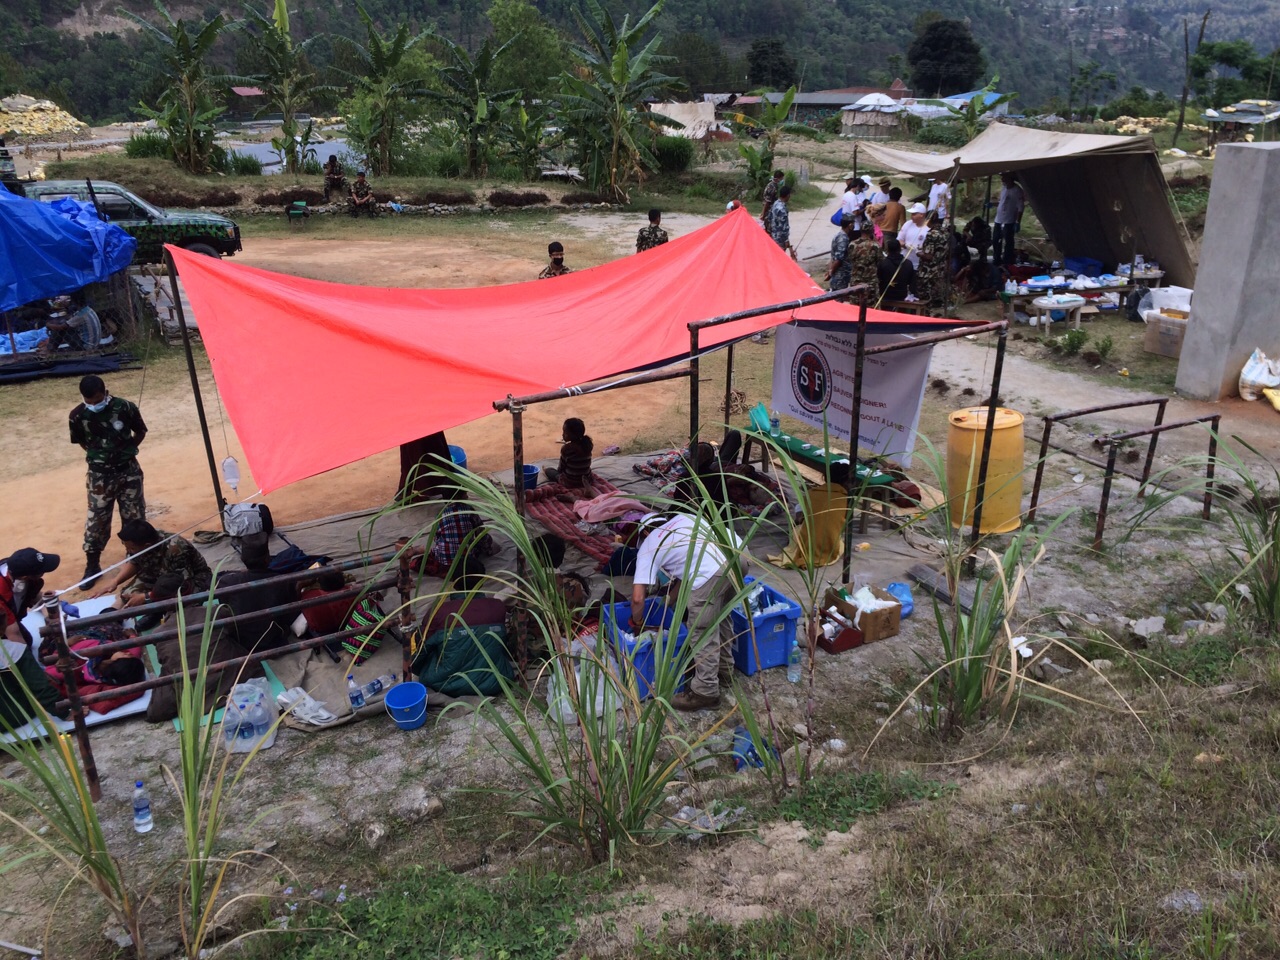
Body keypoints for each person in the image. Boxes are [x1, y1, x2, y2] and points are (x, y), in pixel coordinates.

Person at [629, 513, 743, 712]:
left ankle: (705, 692)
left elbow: (637, 598)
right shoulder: (685, 519)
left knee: (701, 628)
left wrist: (637, 622)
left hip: (712, 572)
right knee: (721, 615)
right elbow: (687, 572)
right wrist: (667, 604)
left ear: (646, 531)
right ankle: (725, 672)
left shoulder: (649, 544)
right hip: (740, 554)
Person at [69, 375, 147, 586]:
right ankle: (92, 566)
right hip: (99, 477)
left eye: (97, 400)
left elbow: (140, 430)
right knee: (97, 521)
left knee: (134, 518)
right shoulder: (77, 415)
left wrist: (127, 450)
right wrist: (101, 457)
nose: (93, 405)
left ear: (105, 393)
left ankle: (136, 560)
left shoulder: (125, 407)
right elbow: (83, 443)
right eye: (89, 402)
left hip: (128, 472)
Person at [94, 520, 212, 607]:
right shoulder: (140, 544)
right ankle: (115, 619)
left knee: (184, 602)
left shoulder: (176, 549)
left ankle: (157, 611)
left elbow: (181, 586)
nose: (128, 551)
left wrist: (146, 597)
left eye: (131, 549)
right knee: (127, 596)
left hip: (189, 580)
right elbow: (135, 562)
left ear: (147, 547)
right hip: (157, 574)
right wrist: (115, 581)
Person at [1, 548, 60, 645]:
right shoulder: (2, 595)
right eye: (41, 572)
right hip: (1, 620)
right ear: (25, 577)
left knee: (27, 641)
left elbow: (35, 598)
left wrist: (50, 613)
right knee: (18, 650)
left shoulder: (17, 571)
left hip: (6, 613)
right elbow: (13, 633)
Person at [543, 417, 595, 496]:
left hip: (570, 482)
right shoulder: (587, 445)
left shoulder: (567, 449)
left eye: (565, 433)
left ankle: (545, 469)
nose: (562, 434)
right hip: (585, 480)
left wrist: (558, 475)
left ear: (573, 435)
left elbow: (561, 468)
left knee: (550, 471)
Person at [917, 211, 952, 310]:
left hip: (929, 271)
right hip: (940, 268)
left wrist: (918, 252)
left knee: (926, 296)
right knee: (936, 294)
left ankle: (927, 312)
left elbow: (929, 256)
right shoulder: (945, 232)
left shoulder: (932, 234)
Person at [992, 172, 1025, 266]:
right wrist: (993, 204)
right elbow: (1001, 202)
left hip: (1009, 220)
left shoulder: (1017, 191)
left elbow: (1020, 207)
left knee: (1008, 241)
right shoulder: (1004, 188)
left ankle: (1007, 260)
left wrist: (1018, 221)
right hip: (998, 219)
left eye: (1004, 177)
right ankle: (997, 258)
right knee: (996, 240)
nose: (1002, 179)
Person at [849, 224, 883, 303]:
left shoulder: (852, 244)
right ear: (872, 231)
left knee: (855, 305)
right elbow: (880, 261)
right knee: (872, 305)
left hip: (856, 280)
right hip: (870, 281)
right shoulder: (875, 245)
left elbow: (851, 259)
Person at [824, 212, 856, 295]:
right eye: (853, 223)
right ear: (850, 225)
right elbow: (838, 259)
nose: (854, 225)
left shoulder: (840, 235)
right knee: (838, 298)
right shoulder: (843, 238)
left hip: (840, 274)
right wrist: (831, 272)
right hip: (841, 275)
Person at [877, 238, 916, 302]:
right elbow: (911, 281)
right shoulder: (908, 263)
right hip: (902, 294)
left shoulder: (883, 263)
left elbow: (879, 278)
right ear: (900, 249)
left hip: (886, 294)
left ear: (888, 249)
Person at [767, 184, 796, 259]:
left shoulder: (775, 203)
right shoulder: (782, 209)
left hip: (773, 235)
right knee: (780, 258)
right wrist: (786, 241)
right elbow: (784, 227)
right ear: (788, 195)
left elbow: (769, 218)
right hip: (780, 239)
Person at [898, 203, 929, 268]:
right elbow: (899, 240)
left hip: (918, 264)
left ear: (921, 215)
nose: (912, 216)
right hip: (904, 260)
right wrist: (905, 245)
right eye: (911, 214)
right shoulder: (908, 224)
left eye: (914, 214)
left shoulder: (928, 229)